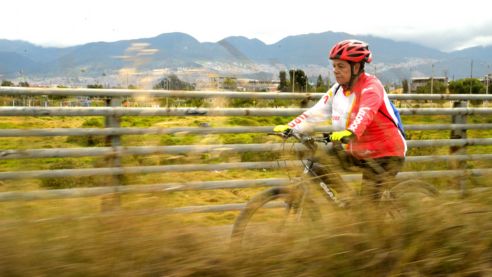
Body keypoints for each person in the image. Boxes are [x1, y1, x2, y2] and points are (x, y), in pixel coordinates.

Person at [274, 39, 407, 200]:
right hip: (358, 150)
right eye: (334, 66)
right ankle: (348, 202)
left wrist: (350, 132)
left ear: (356, 67)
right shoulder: (337, 90)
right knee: (318, 163)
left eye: (341, 66)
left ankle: (362, 216)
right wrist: (291, 127)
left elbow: (365, 113)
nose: (336, 70)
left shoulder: (371, 87)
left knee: (367, 211)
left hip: (385, 154)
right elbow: (316, 112)